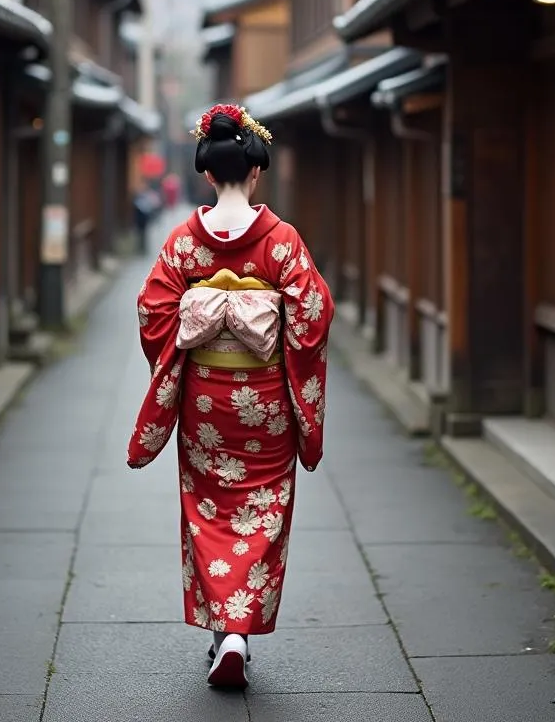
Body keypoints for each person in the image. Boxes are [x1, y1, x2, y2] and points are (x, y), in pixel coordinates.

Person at [128, 104, 334, 690]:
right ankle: (240, 632)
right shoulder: (282, 240)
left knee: (208, 509)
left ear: (206, 173)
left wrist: (199, 326)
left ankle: (225, 632)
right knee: (263, 509)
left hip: (206, 402)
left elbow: (153, 312)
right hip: (265, 399)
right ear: (256, 171)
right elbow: (314, 316)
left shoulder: (184, 241)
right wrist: (264, 322)